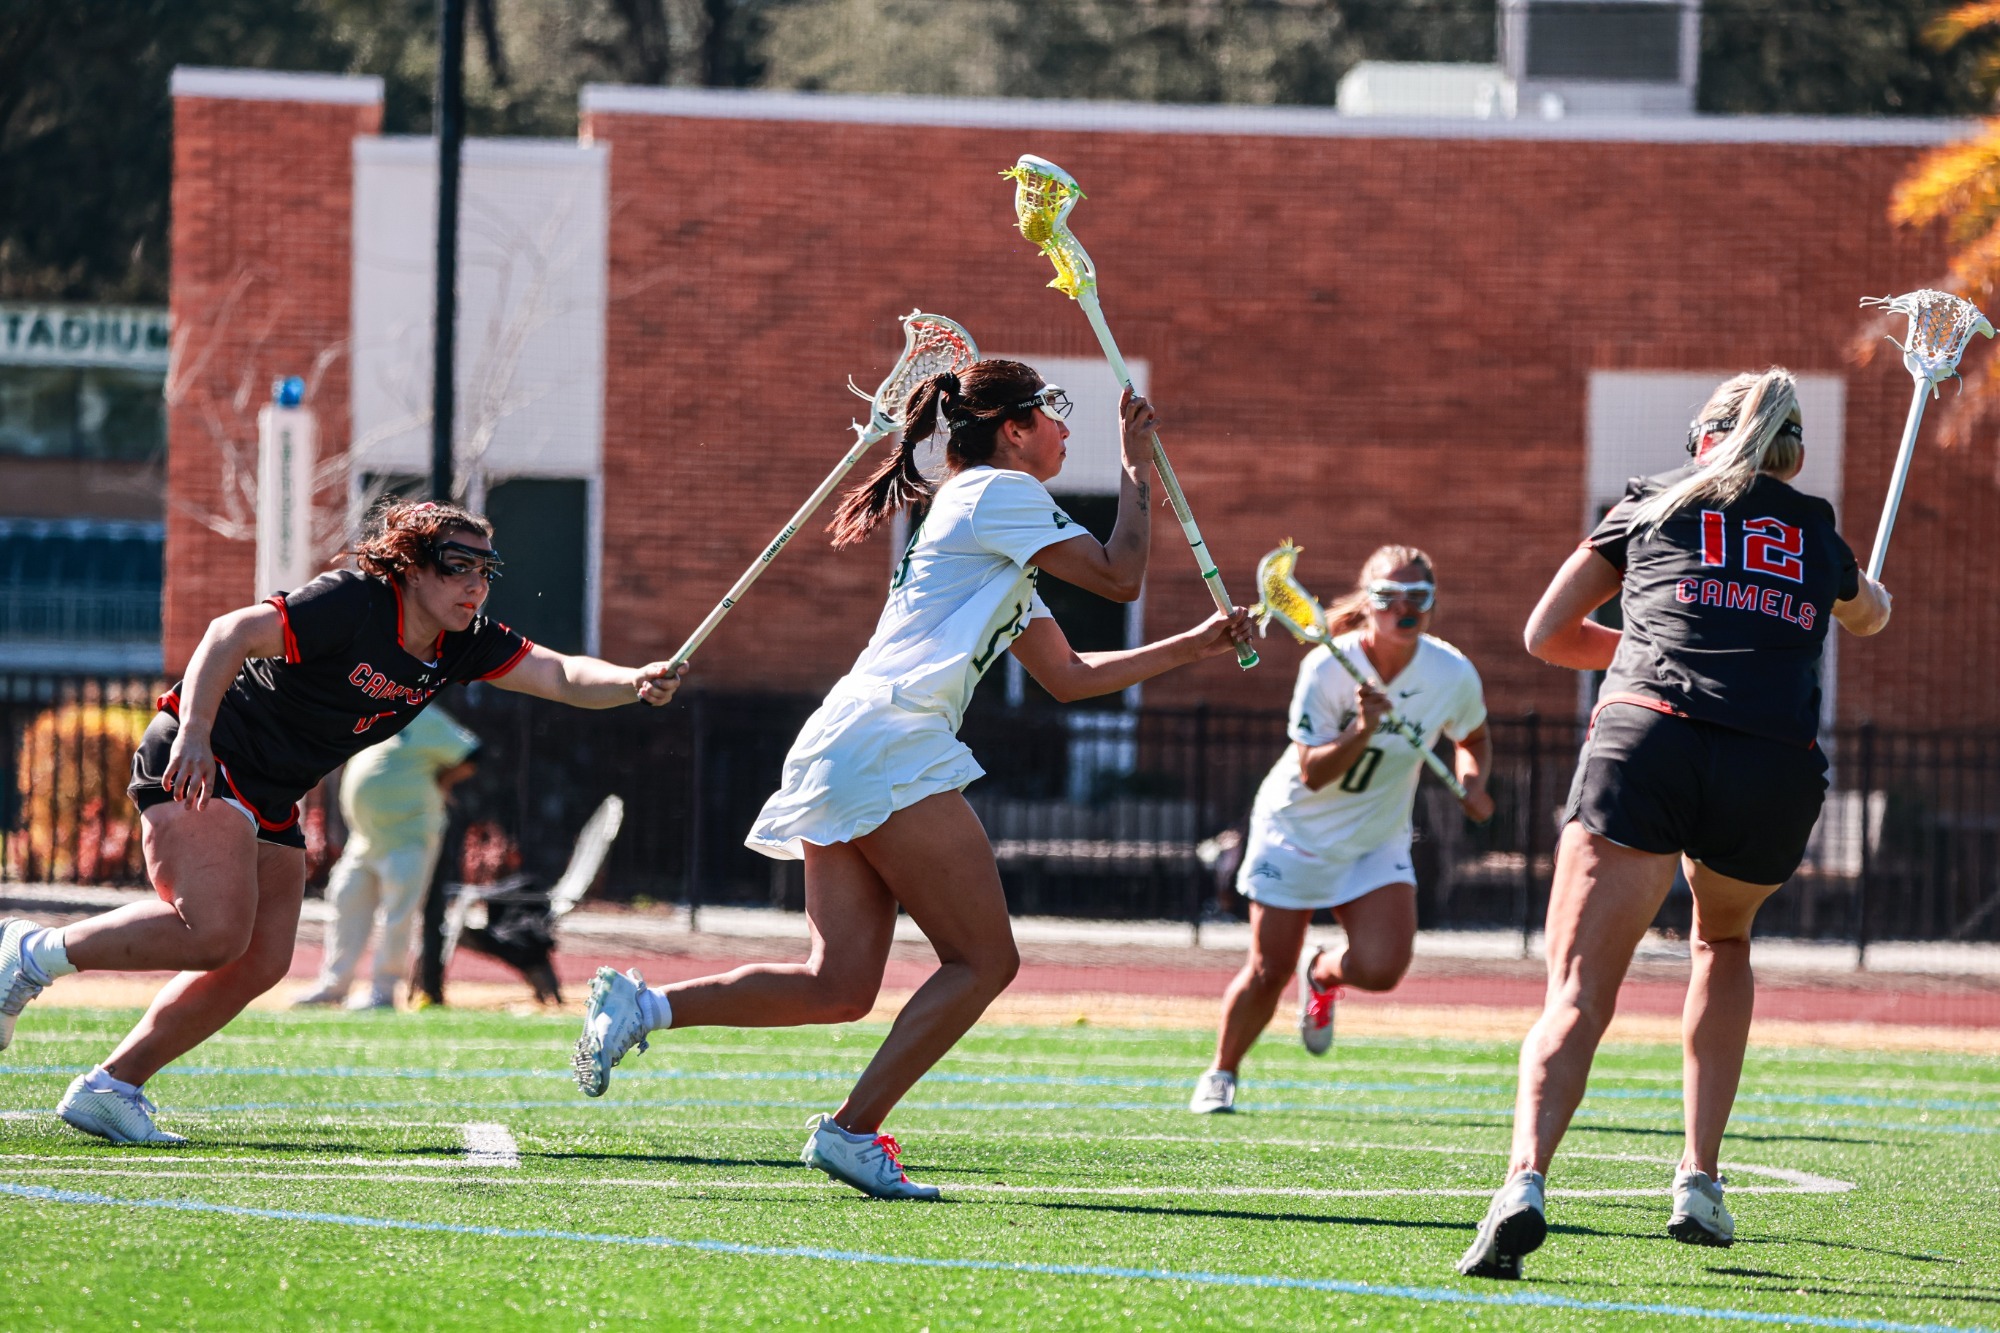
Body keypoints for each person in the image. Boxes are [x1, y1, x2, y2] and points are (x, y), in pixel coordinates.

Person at [571, 360, 1254, 1198]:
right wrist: (1134, 467)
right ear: (1013, 427)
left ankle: (643, 1005)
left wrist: (1197, 643)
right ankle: (852, 1131)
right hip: (892, 737)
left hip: (849, 737)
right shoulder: (996, 495)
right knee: (983, 959)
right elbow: (1120, 575)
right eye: (1054, 413)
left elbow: (1070, 675)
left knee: (840, 982)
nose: (1064, 431)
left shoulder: (986, 527)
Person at [0, 501, 683, 1144]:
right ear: (411, 568)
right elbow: (227, 633)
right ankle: (30, 954)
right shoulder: (352, 601)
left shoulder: (461, 642)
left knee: (262, 960)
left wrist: (632, 680)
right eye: (457, 566)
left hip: (271, 791)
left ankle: (112, 1085)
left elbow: (560, 673)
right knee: (211, 931)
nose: (475, 585)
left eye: (485, 570)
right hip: (211, 755)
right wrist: (196, 733)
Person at [1458, 369, 1892, 1278]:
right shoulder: (1816, 527)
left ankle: (1524, 1183)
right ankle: (1698, 1178)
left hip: (1649, 736)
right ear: (1794, 452)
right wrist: (1856, 591)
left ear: (1704, 439)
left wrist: (1658, 646)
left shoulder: (1652, 501)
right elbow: (1872, 616)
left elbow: (1546, 630)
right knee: (1721, 941)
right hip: (1770, 763)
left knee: (1575, 993)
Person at [1190, 546, 1494, 1115]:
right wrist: (1362, 728)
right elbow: (1313, 771)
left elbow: (1471, 739)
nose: (1404, 607)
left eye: (1418, 597)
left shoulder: (1450, 671)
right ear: (1368, 602)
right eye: (1387, 597)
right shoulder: (1328, 665)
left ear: (1433, 604)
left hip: (1375, 839)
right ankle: (1222, 1072)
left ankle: (1323, 973)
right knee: (1266, 970)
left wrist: (1472, 785)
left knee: (1383, 968)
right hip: (1295, 831)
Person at [292, 704, 481, 1010]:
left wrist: (440, 781)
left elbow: (472, 754)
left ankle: (383, 992)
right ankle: (333, 986)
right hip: (365, 839)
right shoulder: (376, 711)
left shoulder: (427, 718)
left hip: (409, 838)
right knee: (345, 901)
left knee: (398, 915)